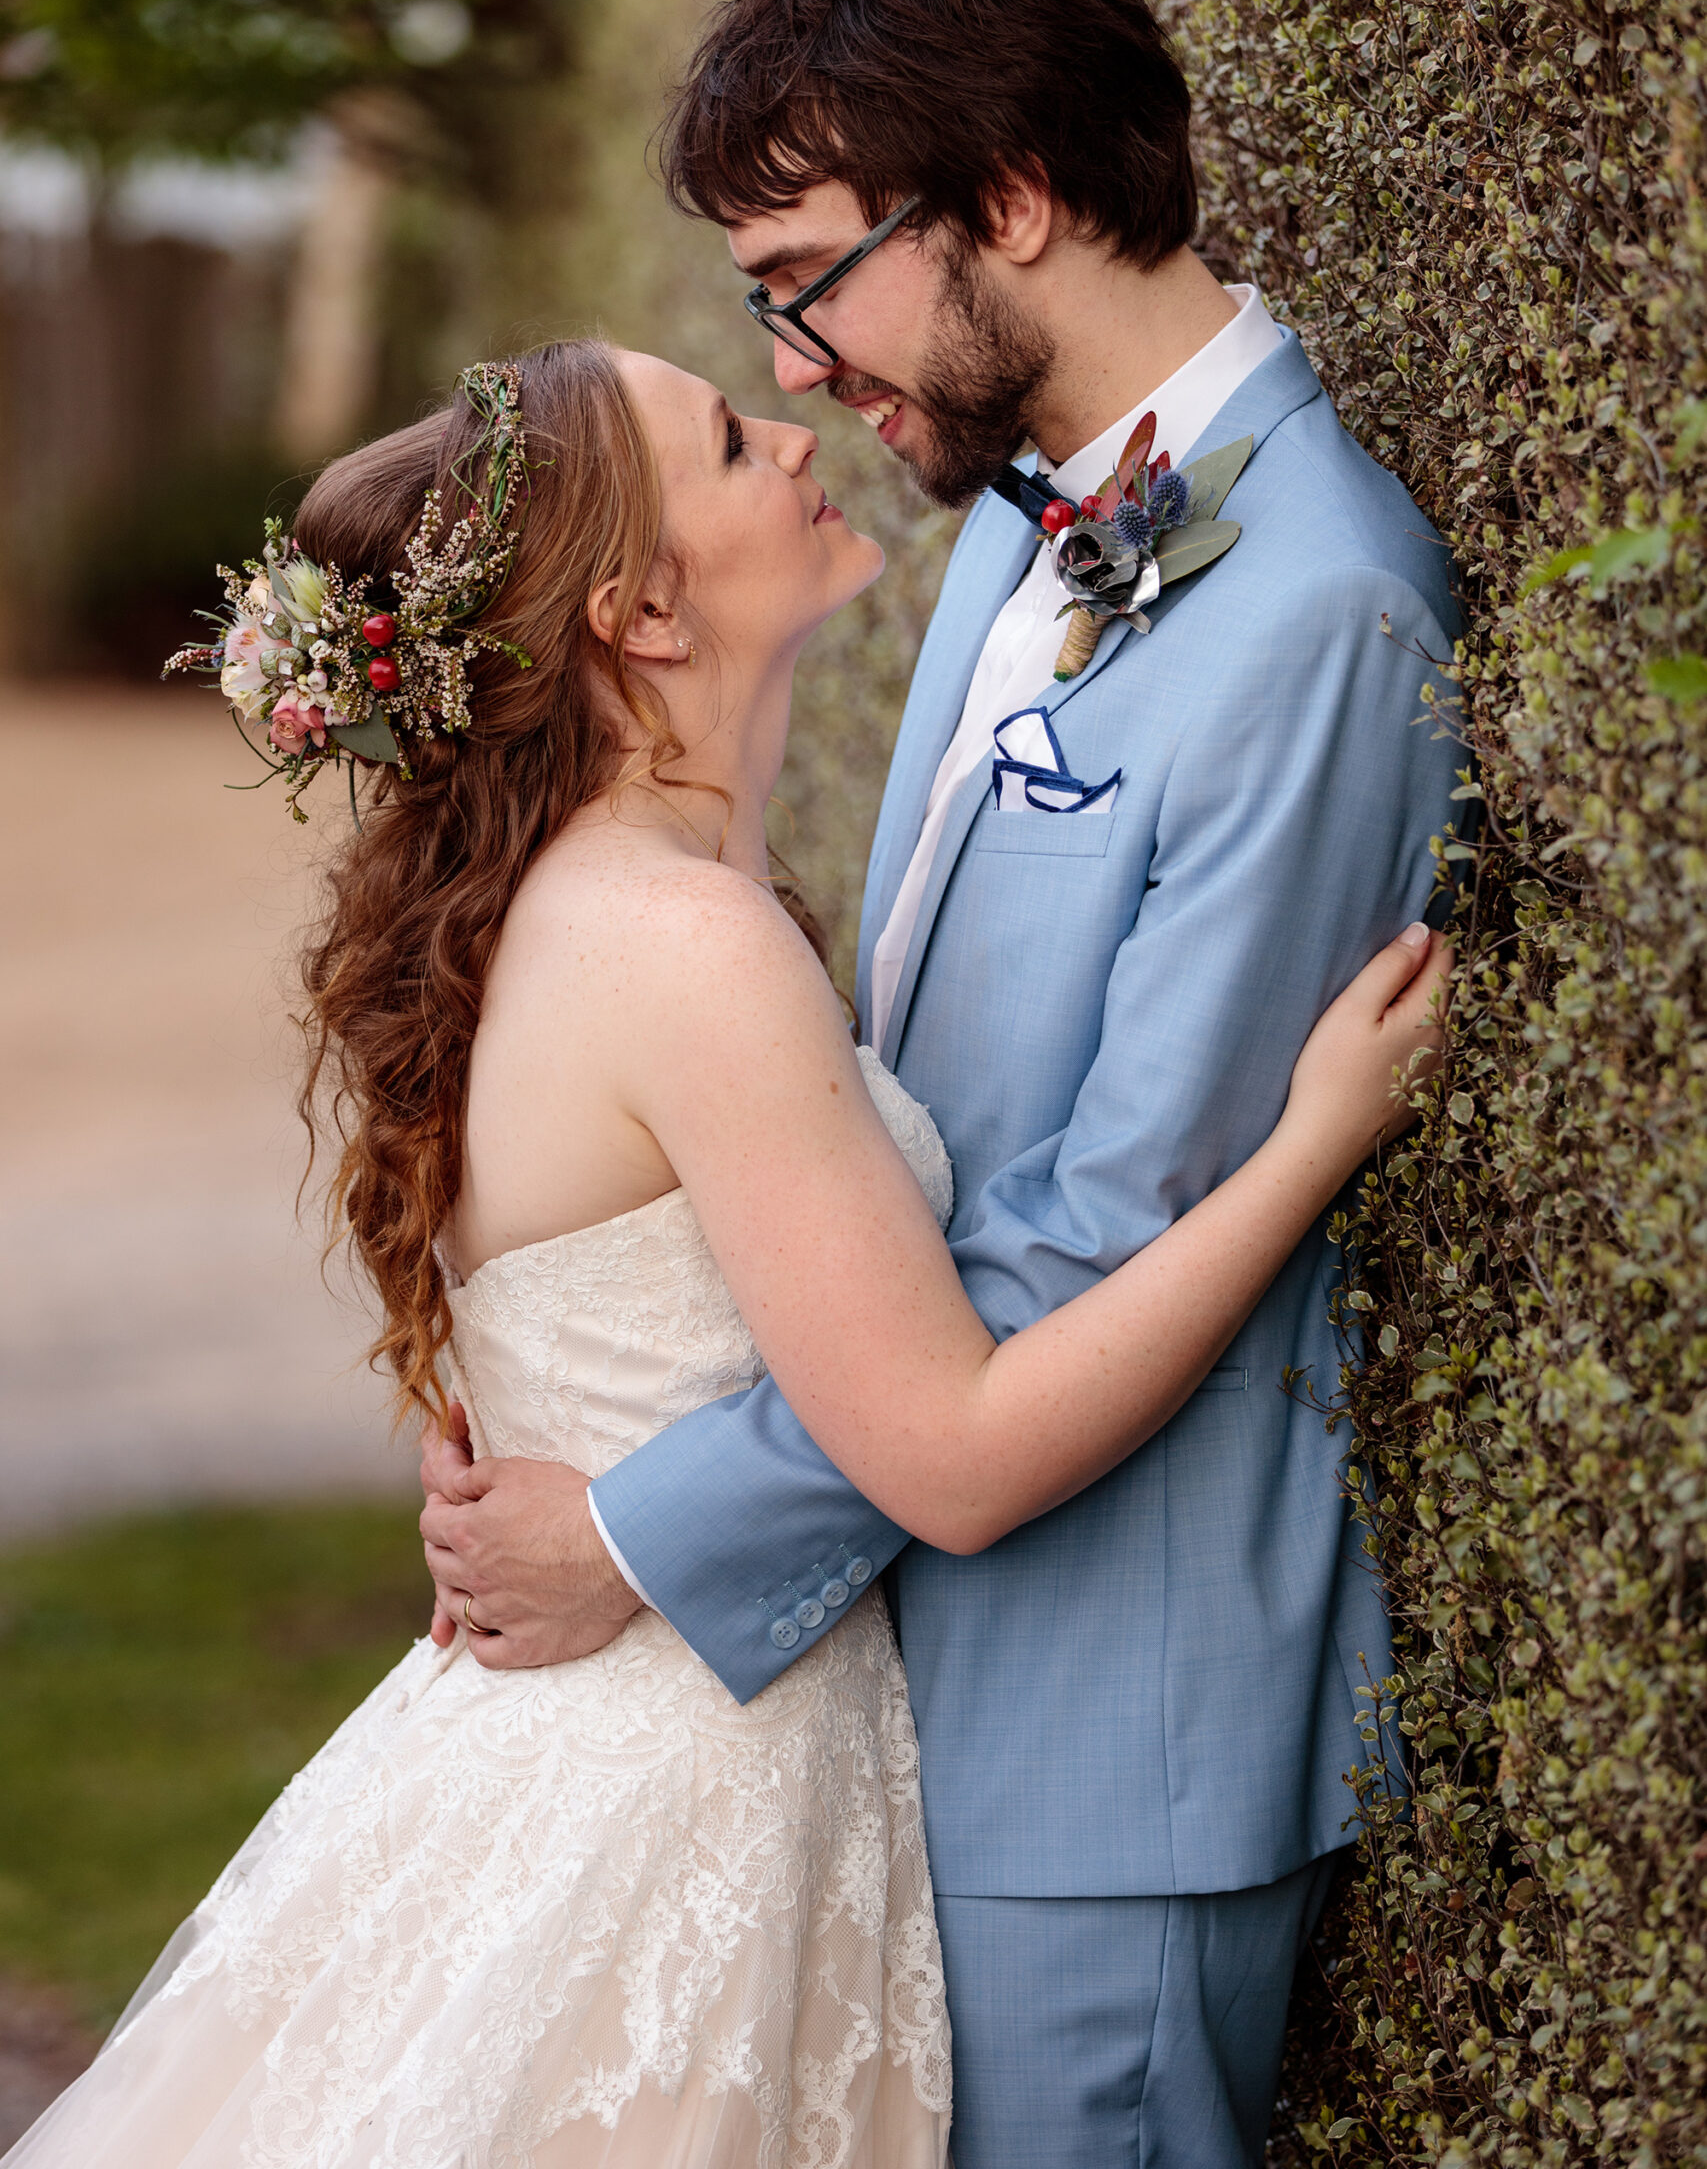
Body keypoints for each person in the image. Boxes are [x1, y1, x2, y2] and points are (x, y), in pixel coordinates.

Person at [6, 337, 1446, 2169]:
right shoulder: (686, 947)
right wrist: (1313, 1141)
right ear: (643, 612)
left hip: (622, 1744)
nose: (790, 427)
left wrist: (587, 1510)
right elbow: (963, 1450)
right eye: (726, 438)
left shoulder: (592, 911)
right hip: (691, 1806)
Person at [417, 0, 1464, 2168]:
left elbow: (1100, 1235)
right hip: (887, 1701)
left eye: (806, 279)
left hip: (1103, 1755)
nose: (790, 363)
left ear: (1003, 195)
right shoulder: (999, 523)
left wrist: (648, 1523)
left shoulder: (1320, 617)